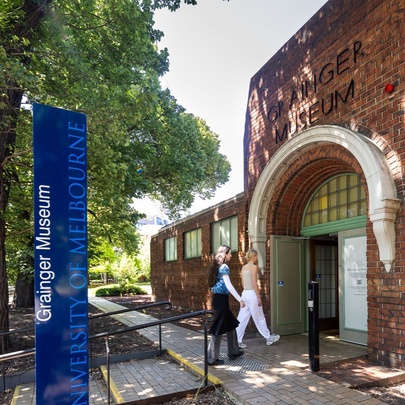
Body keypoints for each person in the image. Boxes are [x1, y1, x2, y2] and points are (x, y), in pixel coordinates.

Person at [207, 245, 245, 366]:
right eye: (230, 253)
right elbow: (228, 286)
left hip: (219, 299)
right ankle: (212, 358)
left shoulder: (218, 266)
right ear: (225, 254)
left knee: (231, 324)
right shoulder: (224, 266)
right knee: (218, 328)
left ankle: (233, 351)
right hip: (221, 300)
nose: (231, 255)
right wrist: (240, 300)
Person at [236, 248, 280, 348]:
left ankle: (237, 340)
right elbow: (254, 283)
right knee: (259, 317)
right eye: (256, 257)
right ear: (254, 256)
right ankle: (268, 337)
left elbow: (243, 283)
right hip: (252, 294)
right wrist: (258, 296)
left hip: (245, 293)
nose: (257, 259)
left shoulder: (243, 268)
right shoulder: (254, 267)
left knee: (242, 318)